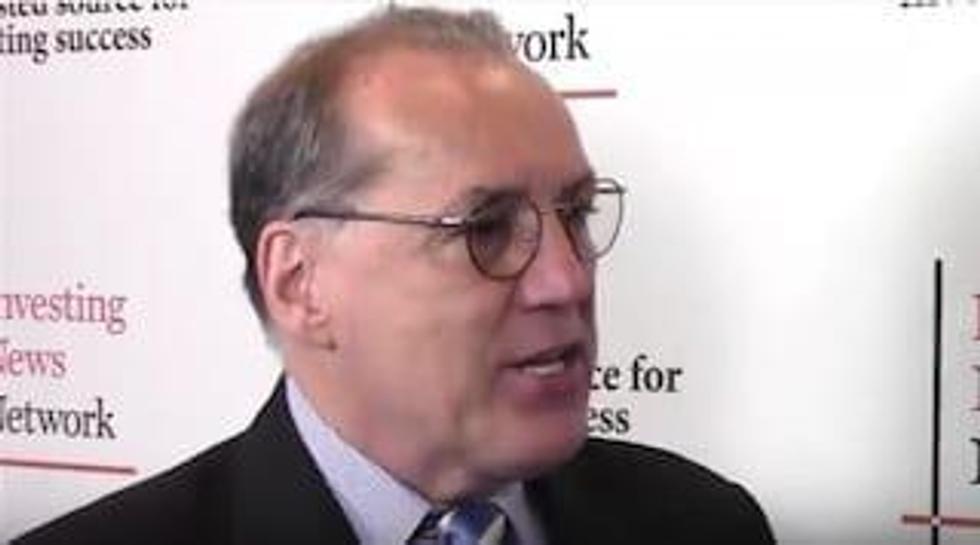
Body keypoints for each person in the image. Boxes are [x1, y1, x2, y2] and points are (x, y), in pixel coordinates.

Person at [14, 6, 774, 545]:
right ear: (301, 283)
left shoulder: (704, 523)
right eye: (484, 228)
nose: (567, 280)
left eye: (575, 213)